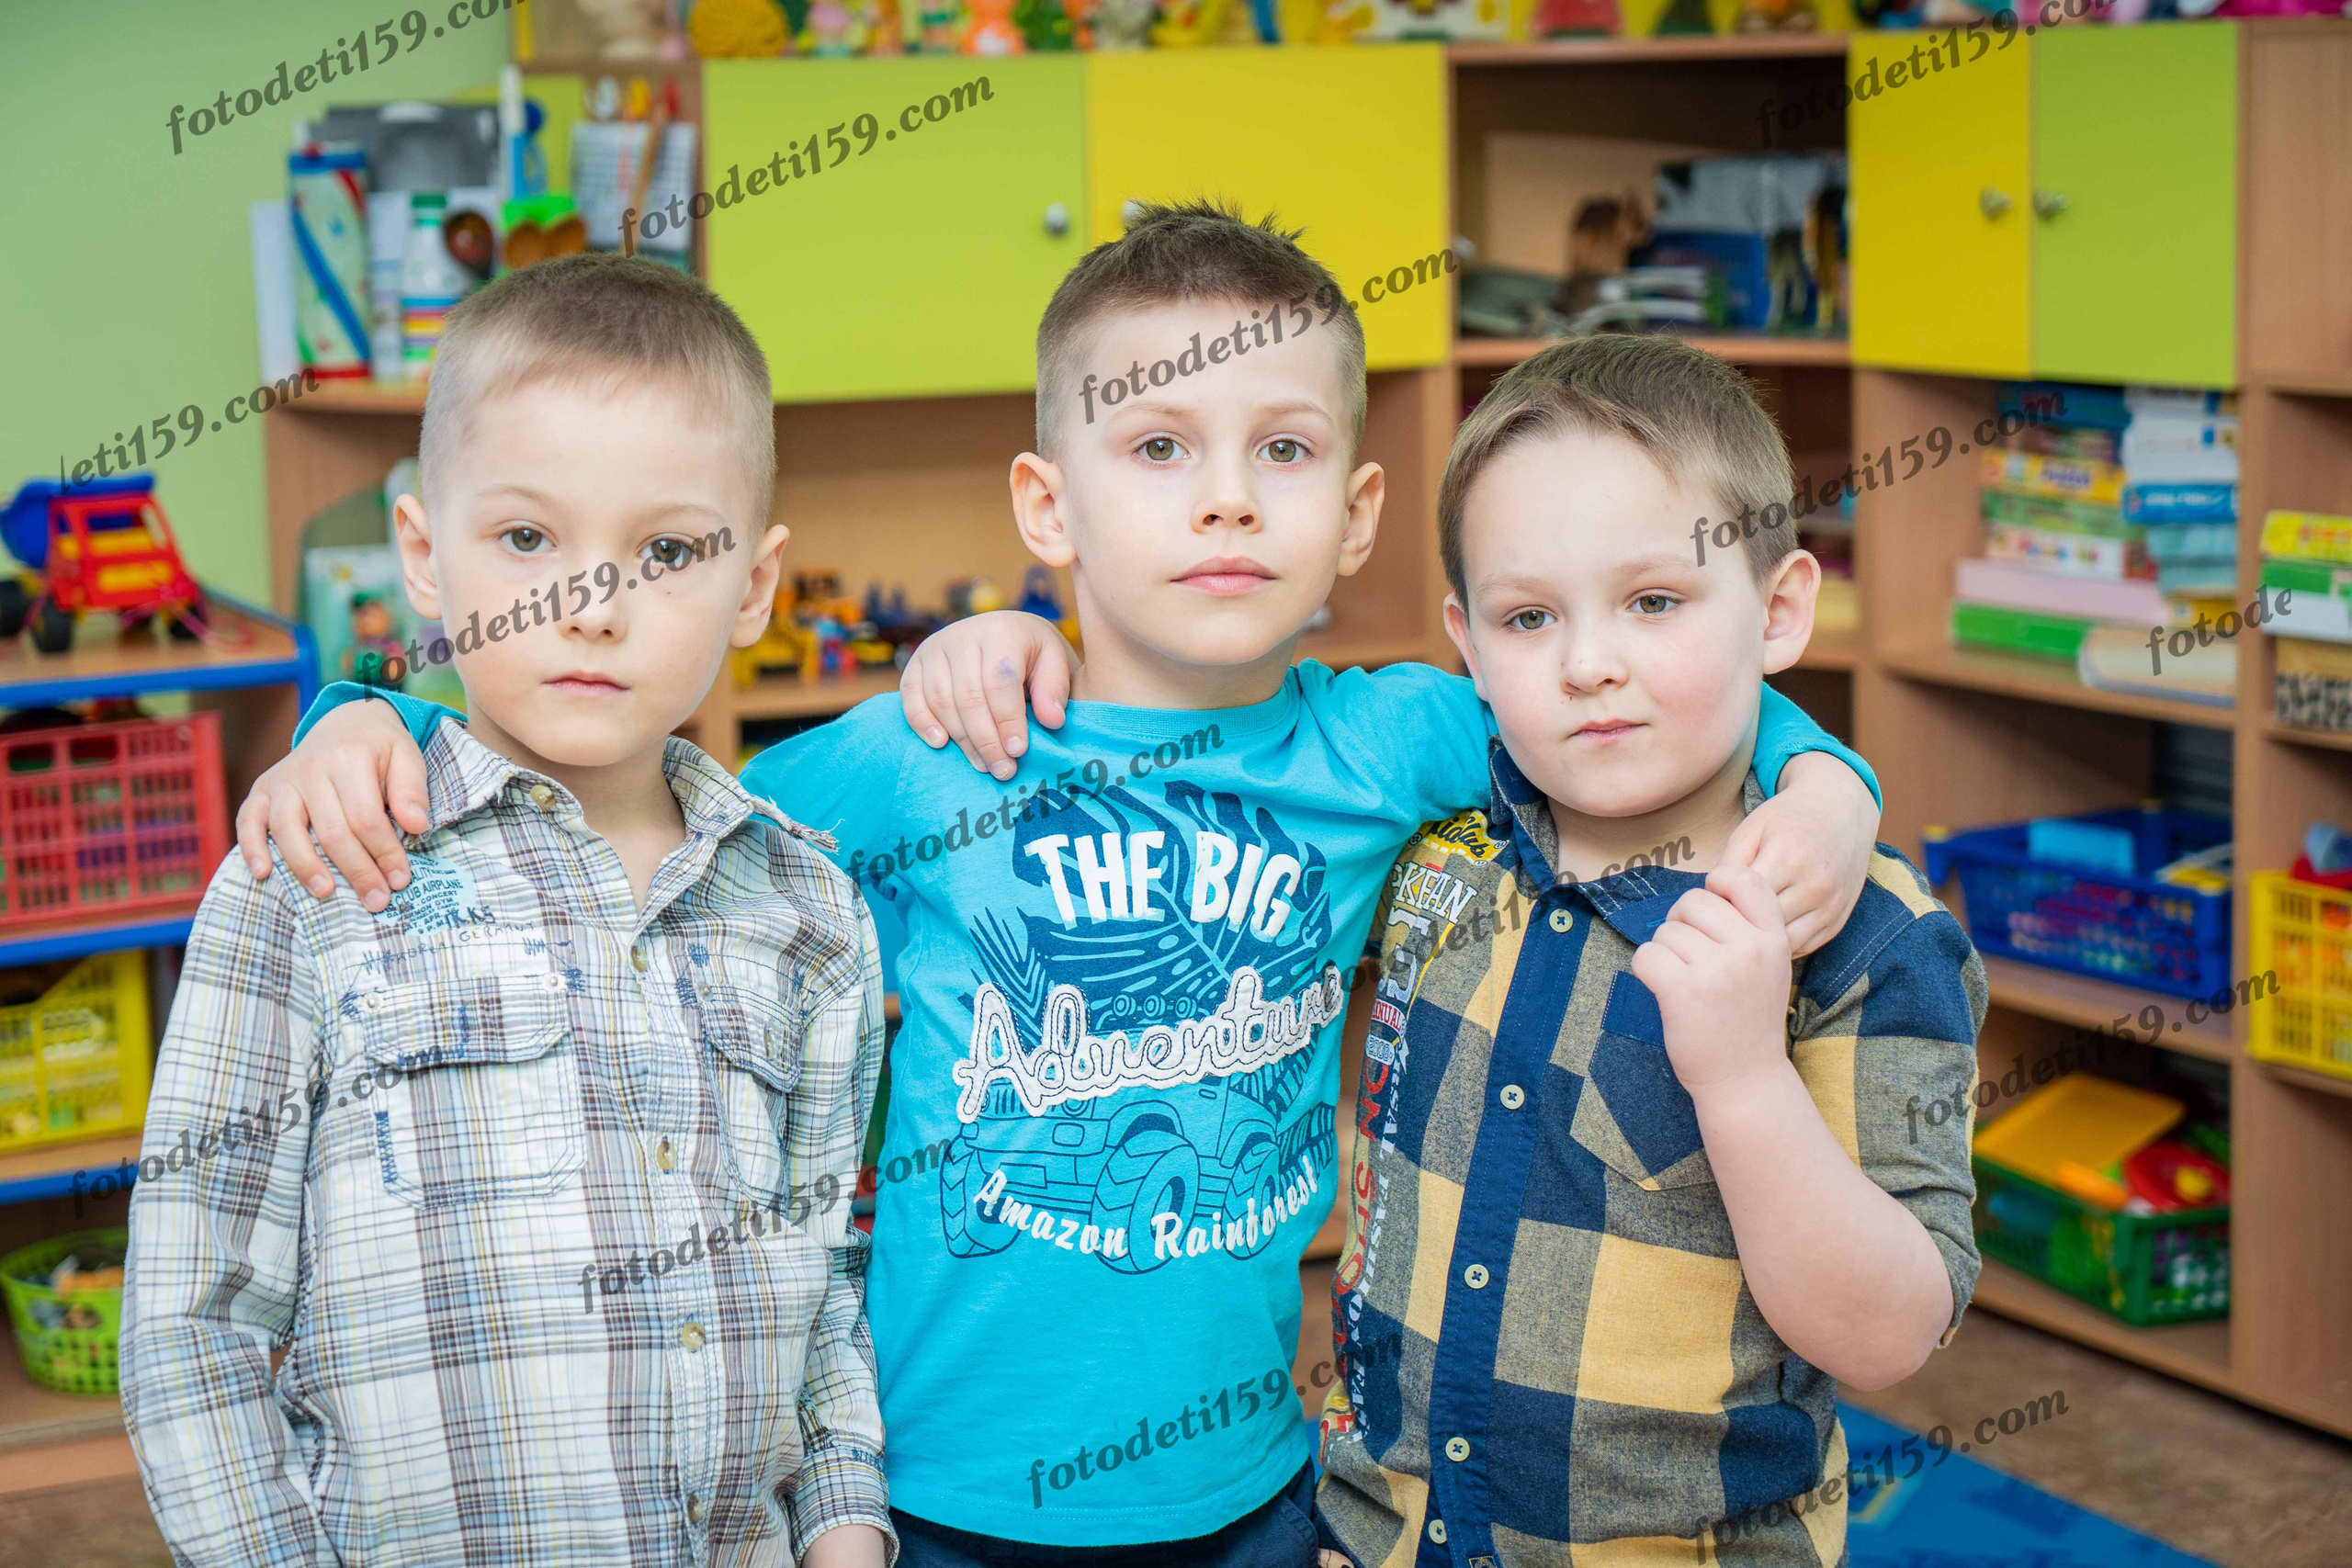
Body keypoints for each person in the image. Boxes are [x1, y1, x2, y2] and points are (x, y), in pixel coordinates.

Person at [229, 204, 1883, 1566]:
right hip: (929, 1493)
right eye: (1157, 444)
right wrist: (366, 710)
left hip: (1252, 1487)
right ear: (1048, 504)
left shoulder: (1395, 741)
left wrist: (1829, 782)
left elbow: (1640, 691)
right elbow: (626, 777)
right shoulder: (935, 747)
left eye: (1284, 449)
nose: (1227, 493)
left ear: (1361, 515)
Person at [120, 254, 893, 1568]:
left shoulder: (811, 913)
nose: (590, 608)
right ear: (424, 556)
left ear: (756, 587)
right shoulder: (314, 869)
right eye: (528, 538)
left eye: (664, 551)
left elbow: (824, 1286)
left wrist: (844, 1527)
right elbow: (195, 1324)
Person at [1312, 337, 1986, 1568]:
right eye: (1529, 617)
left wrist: (1740, 1077)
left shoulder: (1864, 932)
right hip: (1379, 1537)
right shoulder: (1434, 845)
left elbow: (1893, 1333)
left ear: (1780, 610)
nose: (1587, 664)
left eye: (1655, 601)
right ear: (1466, 641)